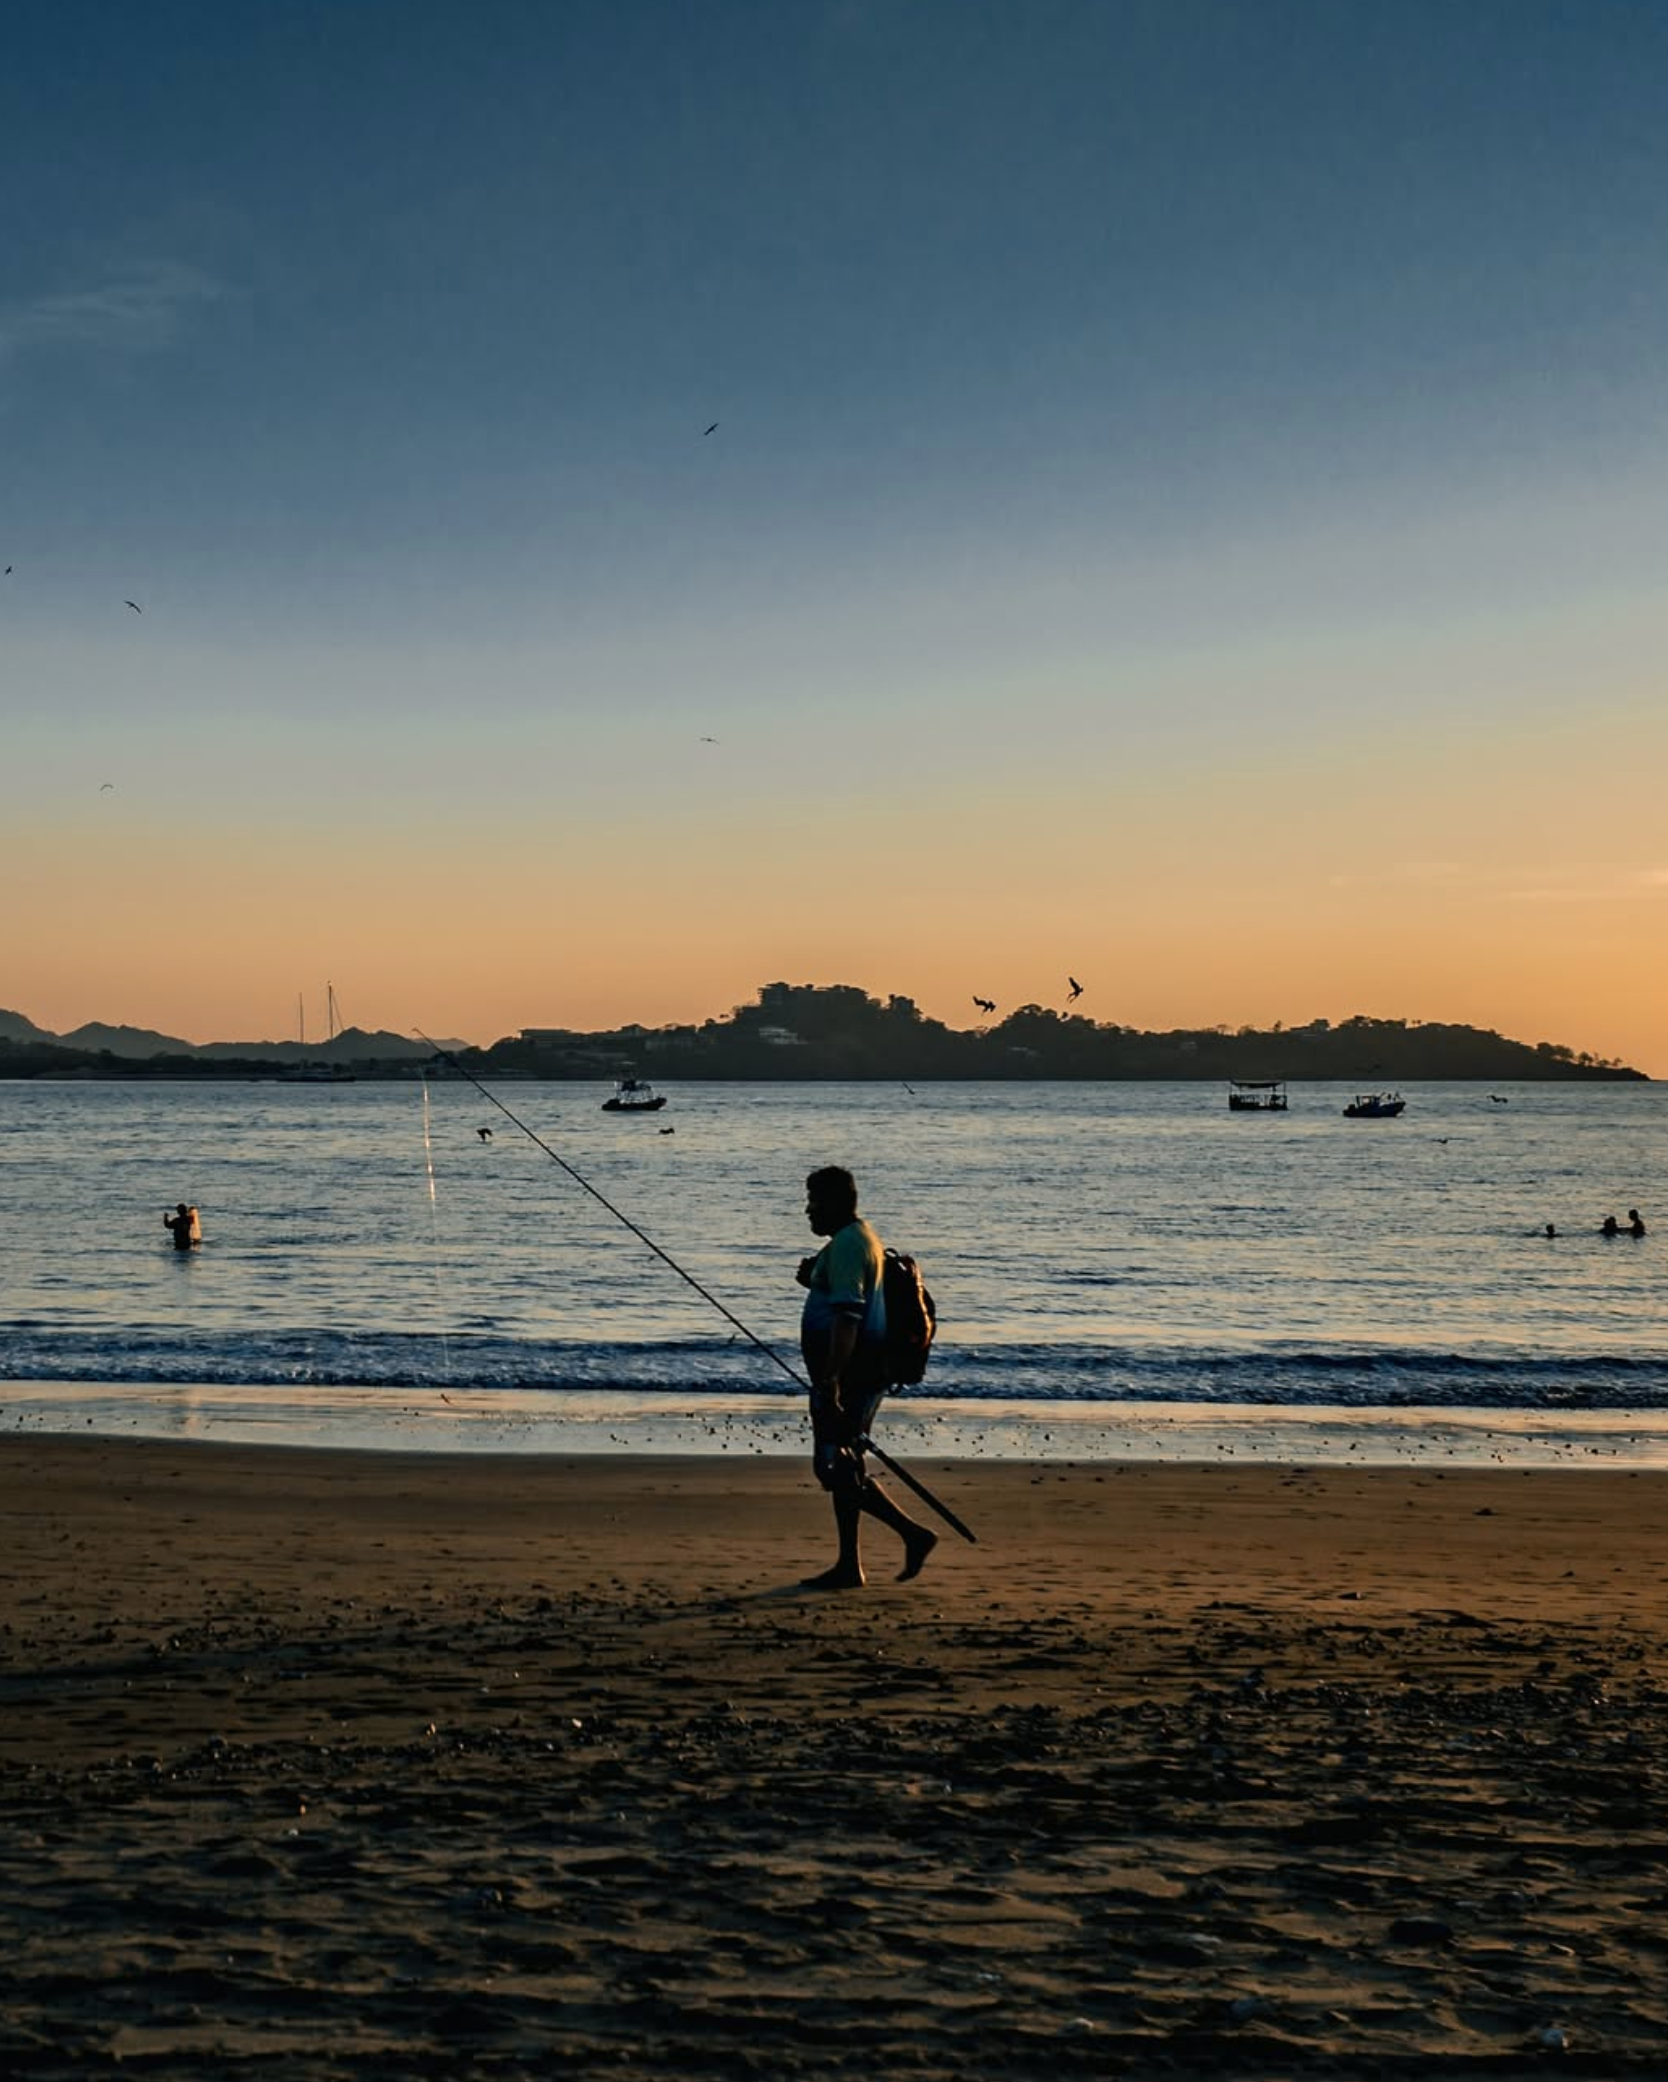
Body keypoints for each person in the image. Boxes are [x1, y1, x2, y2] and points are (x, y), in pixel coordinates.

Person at [795, 1165, 936, 1591]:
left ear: (836, 1203)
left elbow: (848, 1317)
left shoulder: (848, 1245)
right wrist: (813, 1279)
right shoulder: (859, 1239)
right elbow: (842, 1295)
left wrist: (831, 1381)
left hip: (851, 1377)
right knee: (845, 1463)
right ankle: (849, 1565)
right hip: (860, 1374)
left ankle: (911, 1534)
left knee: (833, 1466)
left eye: (814, 1201)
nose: (808, 1210)